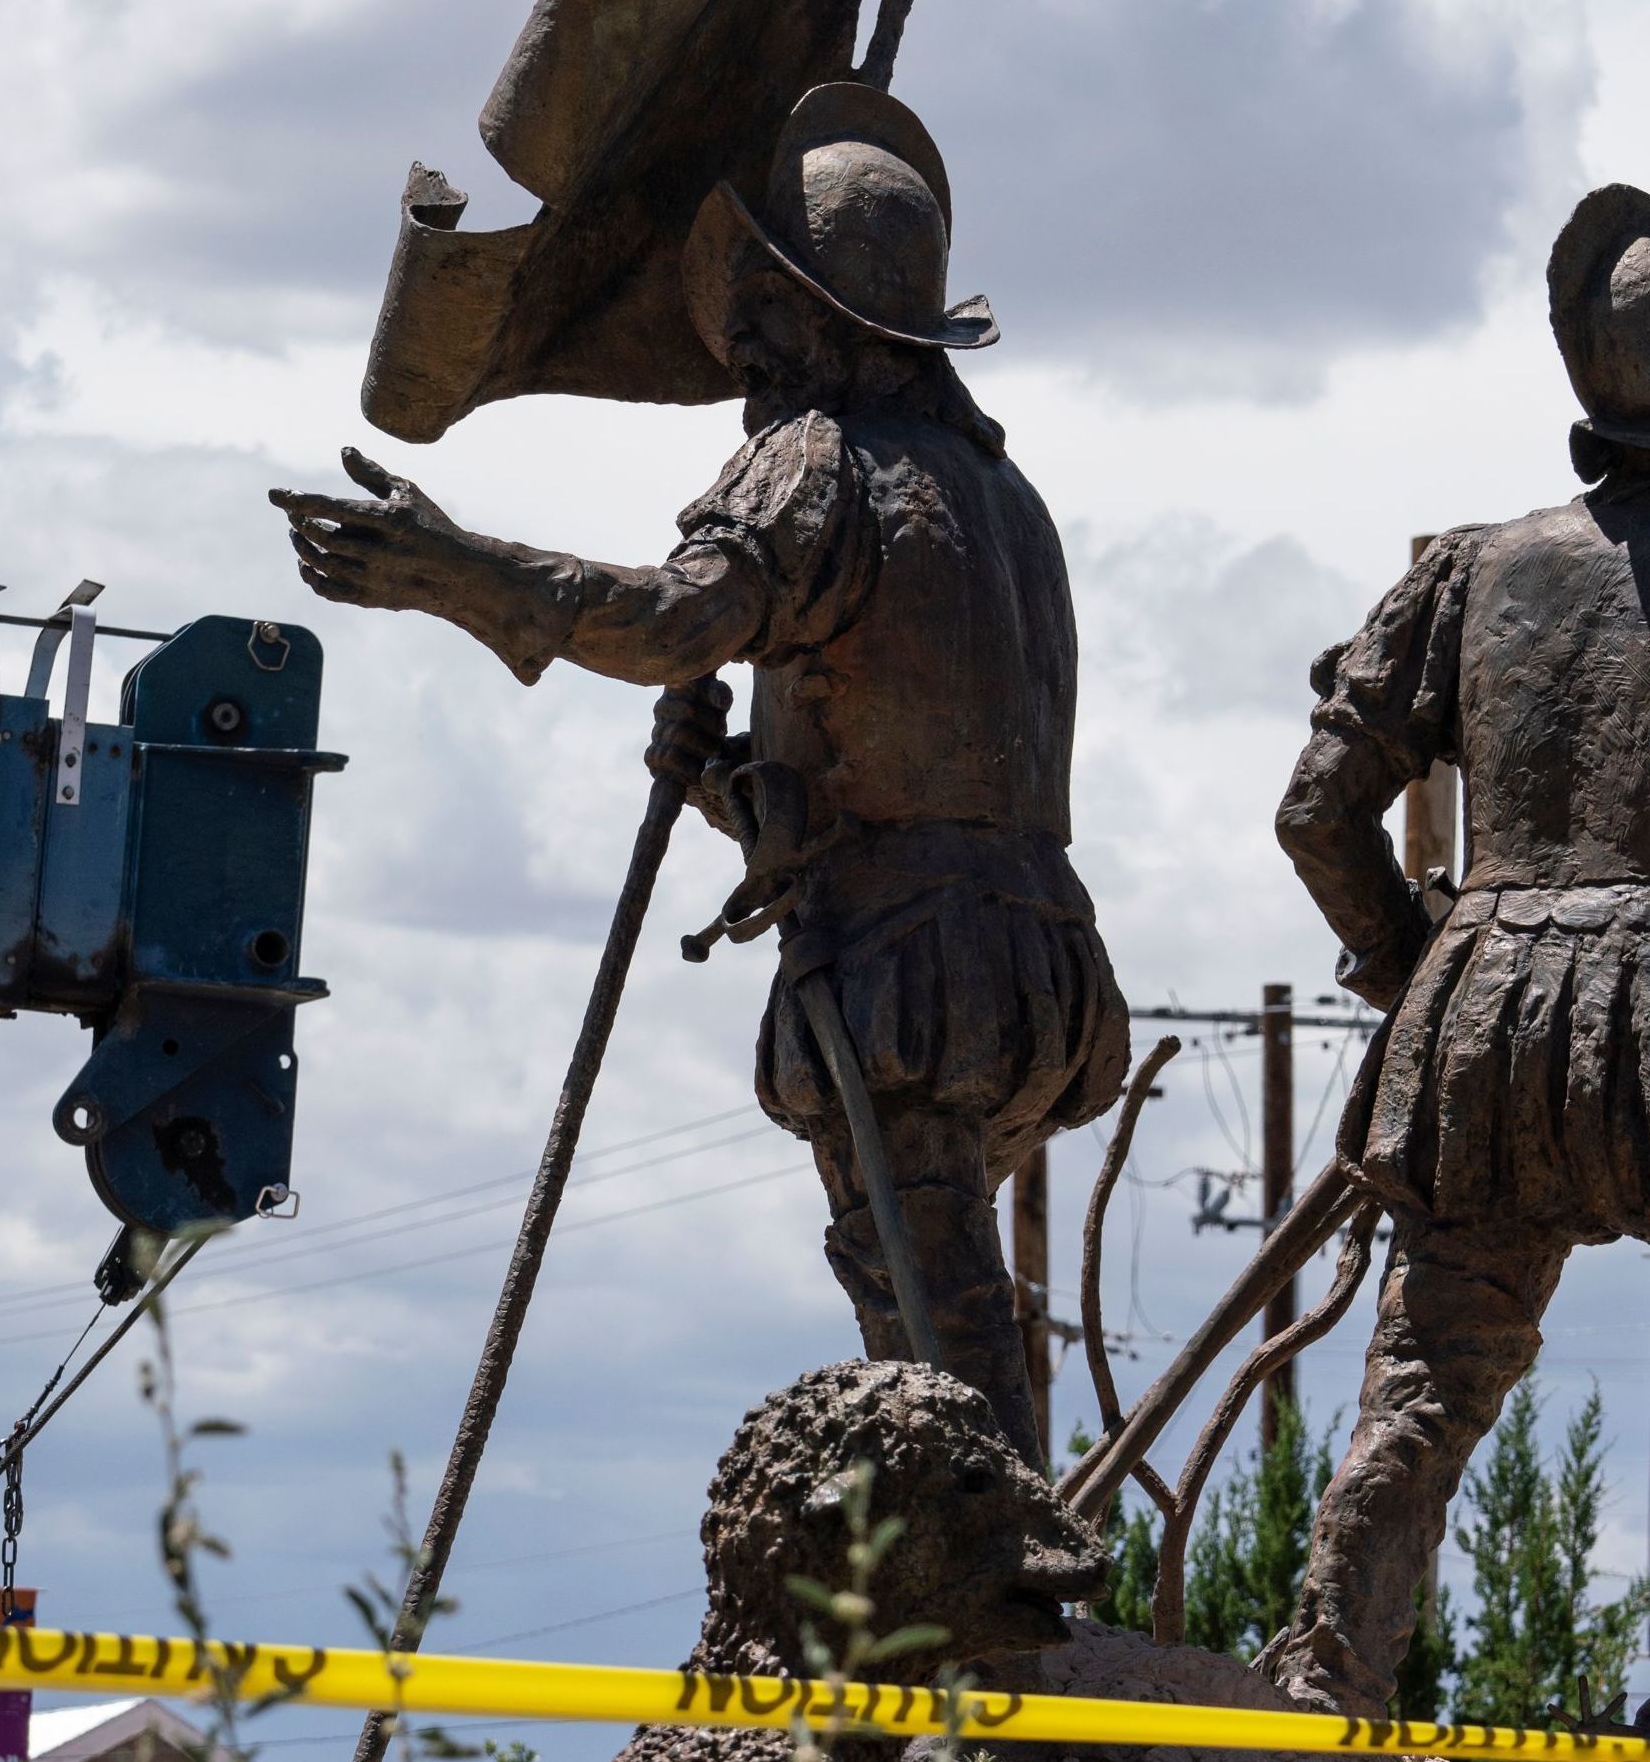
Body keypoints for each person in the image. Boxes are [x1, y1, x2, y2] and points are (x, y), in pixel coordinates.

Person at [273, 83, 1127, 1467]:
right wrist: (741, 789)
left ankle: (1007, 1578)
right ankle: (977, 1548)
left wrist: (459, 570)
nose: (743, 359)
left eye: (763, 320)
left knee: (938, 1330)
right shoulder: (1002, 498)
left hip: (911, 976)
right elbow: (903, 753)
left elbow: (677, 623)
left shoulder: (820, 463)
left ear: (823, 320)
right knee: (929, 1303)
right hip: (1037, 972)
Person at [1267, 185, 1650, 1714]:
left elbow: (1317, 810)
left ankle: (1325, 1689)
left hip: (1488, 1023)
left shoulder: (1478, 570)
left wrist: (1412, 963)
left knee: (1418, 1407)